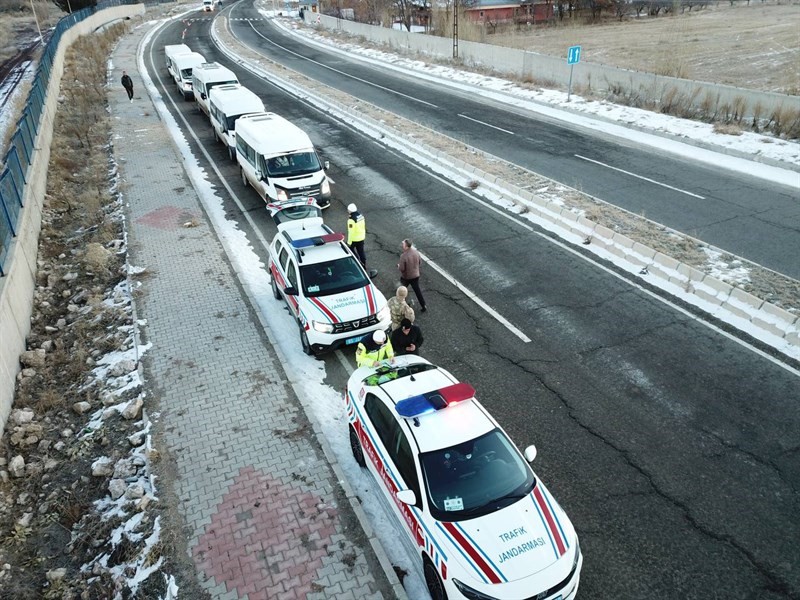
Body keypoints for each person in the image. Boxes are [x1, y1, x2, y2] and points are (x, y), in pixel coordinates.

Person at [398, 238, 426, 312]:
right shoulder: (416, 252)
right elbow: (420, 262)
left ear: (406, 246)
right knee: (417, 291)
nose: (402, 245)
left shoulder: (403, 256)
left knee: (402, 290)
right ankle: (423, 305)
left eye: (403, 244)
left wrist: (398, 266)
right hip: (416, 275)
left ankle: (400, 305)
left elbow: (402, 269)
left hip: (406, 277)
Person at [346, 203, 367, 268]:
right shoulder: (361, 216)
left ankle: (357, 261)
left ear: (349, 210)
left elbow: (351, 232)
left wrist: (349, 242)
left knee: (351, 250)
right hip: (361, 237)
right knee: (361, 251)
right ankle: (364, 263)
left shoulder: (351, 220)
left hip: (354, 239)